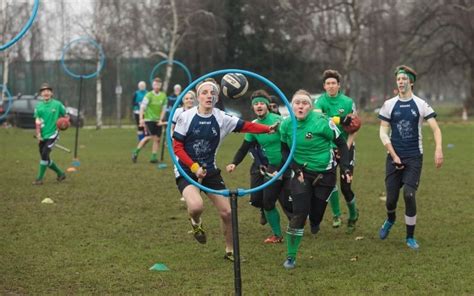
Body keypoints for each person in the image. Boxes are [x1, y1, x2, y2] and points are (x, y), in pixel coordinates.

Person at [172, 78, 278, 261]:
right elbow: (177, 147)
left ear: (217, 97)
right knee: (196, 207)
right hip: (186, 169)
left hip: (210, 170)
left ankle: (230, 251)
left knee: (227, 212)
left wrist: (267, 129)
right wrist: (194, 167)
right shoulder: (185, 116)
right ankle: (196, 222)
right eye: (204, 93)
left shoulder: (221, 118)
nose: (208, 96)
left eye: (212, 93)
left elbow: (247, 126)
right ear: (198, 96)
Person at [279, 90, 352, 269]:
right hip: (301, 172)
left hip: (325, 174)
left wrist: (345, 167)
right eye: (297, 103)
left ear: (311, 107)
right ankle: (291, 256)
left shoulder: (323, 123)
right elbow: (284, 150)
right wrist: (295, 168)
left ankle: (315, 221)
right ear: (291, 105)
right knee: (299, 214)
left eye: (305, 103)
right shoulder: (286, 124)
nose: (300, 106)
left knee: (316, 216)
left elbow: (342, 143)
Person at [378, 65, 443, 250]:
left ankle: (410, 237)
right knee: (391, 199)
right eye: (398, 79)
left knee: (408, 193)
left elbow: (436, 128)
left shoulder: (421, 104)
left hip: (414, 157)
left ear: (411, 82)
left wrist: (438, 149)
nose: (401, 82)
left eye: (404, 79)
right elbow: (383, 133)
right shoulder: (389, 104)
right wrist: (393, 154)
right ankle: (390, 219)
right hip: (393, 157)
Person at [226, 90, 292, 244]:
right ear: (253, 108)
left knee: (282, 202)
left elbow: (290, 143)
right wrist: (234, 163)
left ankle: (286, 231)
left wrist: (286, 164)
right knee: (263, 201)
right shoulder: (253, 125)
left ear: (267, 105)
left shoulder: (279, 121)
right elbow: (244, 147)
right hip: (268, 167)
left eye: (261, 103)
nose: (259, 106)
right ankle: (276, 231)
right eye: (256, 104)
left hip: (285, 165)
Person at [313, 69, 359, 234]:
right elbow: (319, 119)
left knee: (346, 186)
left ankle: (353, 215)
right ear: (324, 86)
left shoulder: (348, 102)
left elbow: (355, 127)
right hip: (328, 148)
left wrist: (346, 146)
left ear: (339, 86)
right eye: (328, 83)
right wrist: (339, 119)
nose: (331, 86)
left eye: (334, 83)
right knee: (329, 183)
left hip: (346, 146)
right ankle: (336, 215)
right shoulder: (319, 102)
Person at [32, 83, 67, 185]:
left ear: (51, 93)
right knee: (46, 158)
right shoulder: (38, 107)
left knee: (44, 154)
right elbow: (37, 122)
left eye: (48, 91)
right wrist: (38, 134)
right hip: (43, 135)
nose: (46, 92)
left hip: (53, 134)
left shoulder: (57, 104)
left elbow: (66, 116)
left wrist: (64, 124)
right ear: (41, 94)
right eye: (43, 91)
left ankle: (39, 179)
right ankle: (60, 174)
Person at [132, 78, 167, 163]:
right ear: (152, 85)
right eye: (155, 84)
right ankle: (135, 151)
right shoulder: (148, 95)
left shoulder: (163, 96)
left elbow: (163, 109)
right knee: (149, 137)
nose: (157, 86)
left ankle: (153, 157)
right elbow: (142, 107)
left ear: (161, 85)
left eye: (158, 84)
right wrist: (141, 119)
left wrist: (161, 119)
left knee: (157, 139)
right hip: (149, 120)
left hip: (158, 121)